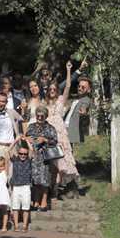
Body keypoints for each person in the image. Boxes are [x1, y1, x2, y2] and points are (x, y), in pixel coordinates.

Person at [46, 61, 80, 199]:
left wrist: (68, 70)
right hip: (49, 133)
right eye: (50, 89)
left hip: (60, 133)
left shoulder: (61, 99)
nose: (52, 91)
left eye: (54, 89)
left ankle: (57, 187)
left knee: (61, 160)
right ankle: (51, 187)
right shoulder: (45, 102)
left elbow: (68, 85)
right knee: (52, 162)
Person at [25, 105, 58, 211]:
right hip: (33, 156)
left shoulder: (50, 128)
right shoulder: (31, 126)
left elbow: (55, 142)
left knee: (44, 180)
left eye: (42, 116)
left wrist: (45, 139)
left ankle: (43, 202)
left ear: (46, 116)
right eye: (38, 116)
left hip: (45, 158)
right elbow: (25, 138)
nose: (39, 118)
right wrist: (27, 139)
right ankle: (35, 201)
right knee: (34, 180)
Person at [8, 135, 33, 232]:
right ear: (18, 153)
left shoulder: (28, 161)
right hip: (16, 186)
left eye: (24, 154)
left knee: (26, 207)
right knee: (15, 207)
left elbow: (31, 150)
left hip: (26, 186)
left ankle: (25, 225)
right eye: (21, 153)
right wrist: (16, 140)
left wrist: (26, 140)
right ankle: (16, 225)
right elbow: (9, 150)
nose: (23, 155)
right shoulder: (15, 160)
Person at [0, 92, 23, 158]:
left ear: (6, 102)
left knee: (12, 168)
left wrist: (20, 134)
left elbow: (23, 119)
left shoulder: (11, 112)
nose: (1, 103)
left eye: (3, 101)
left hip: (12, 147)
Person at [64, 76, 92, 144]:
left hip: (71, 130)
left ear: (89, 90)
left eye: (83, 87)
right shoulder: (74, 99)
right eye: (79, 86)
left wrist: (84, 112)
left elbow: (84, 107)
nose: (80, 88)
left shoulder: (86, 100)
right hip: (64, 127)